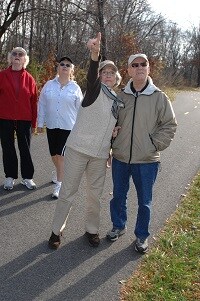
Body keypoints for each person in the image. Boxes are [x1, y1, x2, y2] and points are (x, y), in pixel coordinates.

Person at [48, 32, 124, 249]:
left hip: (99, 156)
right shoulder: (93, 91)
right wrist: (95, 54)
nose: (108, 74)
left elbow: (111, 127)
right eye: (104, 72)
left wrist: (114, 134)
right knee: (68, 192)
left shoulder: (118, 102)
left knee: (94, 196)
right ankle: (56, 232)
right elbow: (91, 74)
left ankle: (92, 230)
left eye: (112, 72)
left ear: (117, 78)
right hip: (78, 150)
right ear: (99, 76)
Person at [106, 53, 177, 254]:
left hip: (146, 160)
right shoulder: (120, 96)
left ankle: (141, 236)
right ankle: (118, 226)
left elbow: (169, 125)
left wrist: (153, 144)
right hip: (121, 158)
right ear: (128, 70)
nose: (139, 68)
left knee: (144, 201)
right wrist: (112, 141)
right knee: (118, 196)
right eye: (134, 65)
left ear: (148, 68)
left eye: (143, 64)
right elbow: (111, 123)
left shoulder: (159, 97)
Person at [37, 56, 83, 199]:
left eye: (68, 65)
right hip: (51, 125)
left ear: (71, 69)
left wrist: (80, 128)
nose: (64, 66)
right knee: (54, 154)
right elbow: (42, 104)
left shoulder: (75, 88)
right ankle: (59, 172)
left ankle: (60, 184)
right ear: (58, 68)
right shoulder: (49, 85)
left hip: (68, 127)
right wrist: (40, 123)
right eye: (62, 64)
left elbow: (80, 109)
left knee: (61, 156)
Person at [0, 47, 38, 190]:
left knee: (25, 148)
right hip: (4, 118)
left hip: (24, 118)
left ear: (24, 59)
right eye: (14, 54)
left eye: (20, 54)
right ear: (10, 58)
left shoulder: (30, 79)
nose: (17, 56)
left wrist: (34, 122)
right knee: (7, 147)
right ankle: (10, 177)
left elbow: (34, 102)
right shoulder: (2, 75)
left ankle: (27, 177)